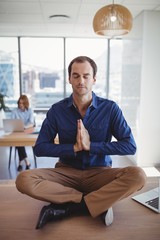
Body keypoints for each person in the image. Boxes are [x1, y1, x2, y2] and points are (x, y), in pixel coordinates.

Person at [15, 56, 146, 230]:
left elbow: (130, 145)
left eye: (86, 76)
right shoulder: (57, 110)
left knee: (138, 176)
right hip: (66, 173)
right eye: (76, 76)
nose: (81, 81)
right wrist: (74, 148)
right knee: (24, 179)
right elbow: (39, 147)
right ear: (69, 79)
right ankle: (97, 203)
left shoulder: (110, 108)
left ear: (94, 79)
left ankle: (68, 207)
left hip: (100, 173)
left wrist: (92, 146)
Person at [11, 94, 35, 171]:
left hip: (27, 132)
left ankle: (20, 163)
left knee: (18, 143)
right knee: (18, 141)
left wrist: (25, 127)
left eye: (22, 103)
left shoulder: (30, 110)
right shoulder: (15, 111)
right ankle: (27, 162)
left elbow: (31, 123)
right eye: (19, 103)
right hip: (17, 132)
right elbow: (11, 122)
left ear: (26, 103)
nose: (20, 105)